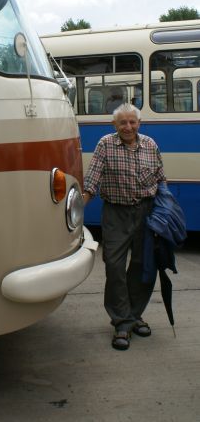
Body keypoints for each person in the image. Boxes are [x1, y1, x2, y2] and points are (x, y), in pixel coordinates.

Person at [82, 103, 166, 350]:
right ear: (114, 125)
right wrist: (76, 210)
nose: (128, 127)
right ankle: (122, 322)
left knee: (143, 267)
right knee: (115, 267)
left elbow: (161, 179)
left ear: (139, 124)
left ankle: (133, 315)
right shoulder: (105, 144)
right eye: (123, 123)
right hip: (115, 213)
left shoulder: (150, 144)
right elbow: (91, 182)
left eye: (132, 122)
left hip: (146, 213)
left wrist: (167, 212)